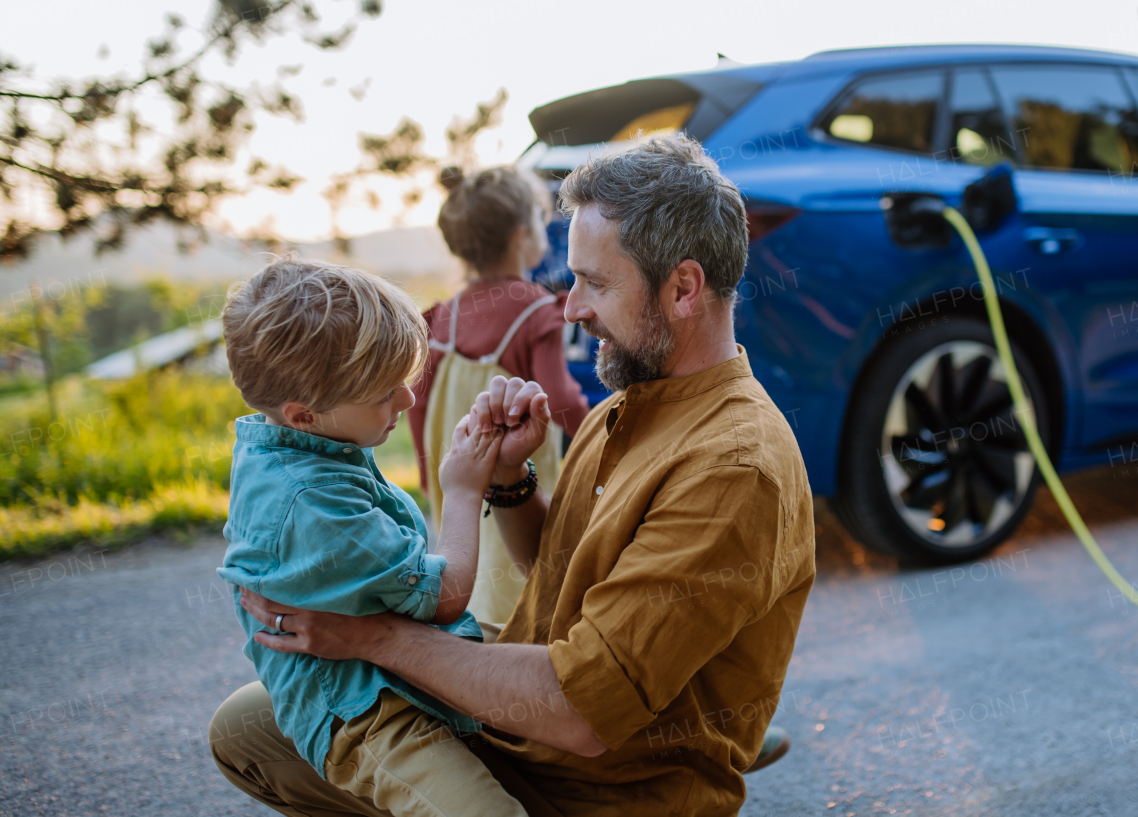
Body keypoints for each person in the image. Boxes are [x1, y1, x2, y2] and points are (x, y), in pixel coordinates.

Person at [211, 133, 816, 816]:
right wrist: (509, 481)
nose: (571, 308)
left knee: (338, 721)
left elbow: (579, 711)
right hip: (517, 741)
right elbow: (560, 565)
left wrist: (372, 636)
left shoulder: (735, 466)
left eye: (596, 283)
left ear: (682, 288)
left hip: (598, 789)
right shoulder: (630, 402)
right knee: (250, 725)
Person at [215, 255, 528, 816]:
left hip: (387, 671)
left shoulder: (290, 443)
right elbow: (447, 594)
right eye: (386, 394)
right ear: (304, 414)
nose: (407, 401)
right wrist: (460, 489)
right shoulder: (312, 502)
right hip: (366, 713)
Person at [409, 165, 589, 624]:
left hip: (458, 470)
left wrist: (430, 473)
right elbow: (561, 399)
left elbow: (418, 406)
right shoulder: (533, 309)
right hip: (515, 476)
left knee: (467, 565)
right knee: (523, 577)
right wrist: (601, 432)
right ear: (520, 233)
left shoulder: (443, 315)